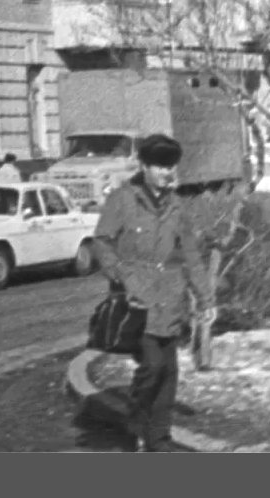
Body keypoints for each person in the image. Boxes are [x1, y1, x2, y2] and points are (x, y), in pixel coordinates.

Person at [91, 133, 210, 453]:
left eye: (170, 167)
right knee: (153, 365)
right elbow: (102, 242)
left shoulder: (177, 206)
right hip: (136, 302)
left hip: (170, 299)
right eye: (159, 166)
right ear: (144, 166)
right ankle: (137, 419)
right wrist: (122, 275)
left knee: (168, 372)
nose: (166, 173)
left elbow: (191, 255)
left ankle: (159, 437)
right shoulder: (122, 200)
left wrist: (205, 297)